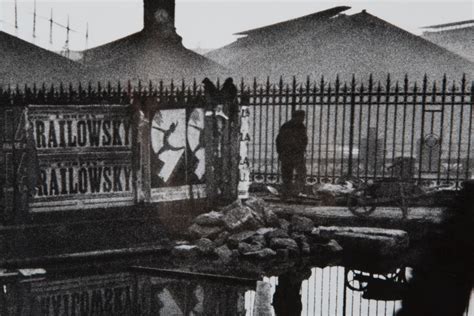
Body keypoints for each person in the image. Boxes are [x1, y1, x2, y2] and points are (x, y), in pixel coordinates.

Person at [276, 110, 308, 199]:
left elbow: (278, 140)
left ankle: (289, 193)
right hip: (294, 154)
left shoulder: (286, 126)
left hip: (288, 154)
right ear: (296, 117)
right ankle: (293, 192)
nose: (303, 119)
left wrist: (280, 153)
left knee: (288, 175)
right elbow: (304, 140)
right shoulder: (299, 127)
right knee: (299, 173)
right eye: (302, 117)